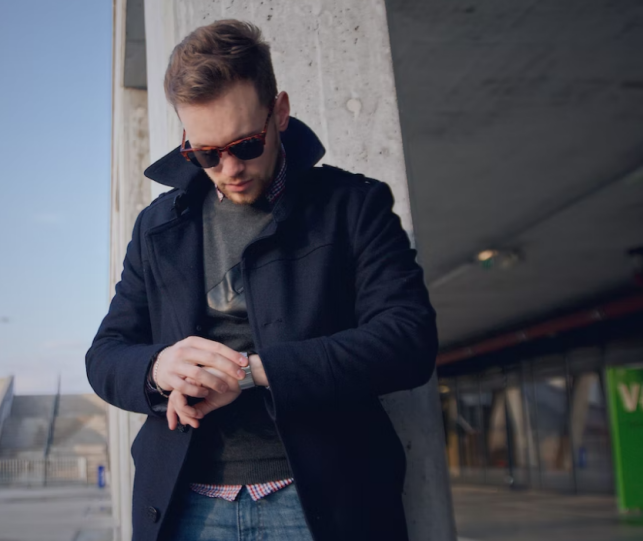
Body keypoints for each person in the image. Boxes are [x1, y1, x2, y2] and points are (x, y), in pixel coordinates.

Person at [86, 19, 437, 541]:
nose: (229, 167)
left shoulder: (353, 207)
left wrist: (253, 372)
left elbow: (409, 341)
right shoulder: (158, 227)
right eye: (205, 153)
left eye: (246, 144)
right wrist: (159, 369)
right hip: (185, 504)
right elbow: (105, 355)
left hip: (323, 498)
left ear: (280, 112)